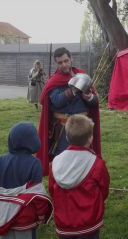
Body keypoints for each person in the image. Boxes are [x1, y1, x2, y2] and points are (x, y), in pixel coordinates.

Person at [37, 47, 101, 176]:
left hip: (83, 127)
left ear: (71, 59)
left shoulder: (82, 75)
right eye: (60, 62)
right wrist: (73, 90)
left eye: (66, 61)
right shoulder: (54, 81)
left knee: (84, 157)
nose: (64, 64)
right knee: (63, 159)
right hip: (64, 129)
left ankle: (83, 184)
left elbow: (94, 103)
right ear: (56, 63)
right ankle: (63, 186)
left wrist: (89, 97)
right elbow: (56, 101)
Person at [0, 122, 53, 239]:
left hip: (4, 216)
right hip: (25, 218)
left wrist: (6, 193)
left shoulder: (2, 160)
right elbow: (37, 194)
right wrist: (41, 215)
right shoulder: (35, 163)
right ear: (33, 141)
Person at [49, 114, 110, 239]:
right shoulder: (97, 163)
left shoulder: (56, 162)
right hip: (89, 222)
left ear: (67, 137)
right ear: (90, 139)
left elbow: (51, 189)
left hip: (64, 223)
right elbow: (104, 189)